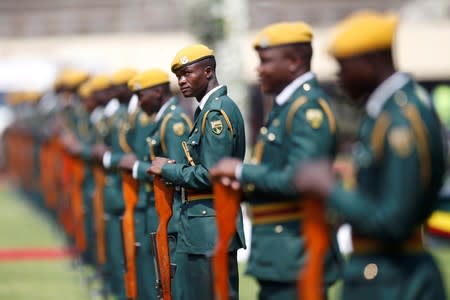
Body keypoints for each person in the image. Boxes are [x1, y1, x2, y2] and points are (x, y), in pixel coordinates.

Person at [294, 11, 447, 300]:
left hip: (395, 279)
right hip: (380, 273)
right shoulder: (385, 113)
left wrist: (329, 188)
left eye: (344, 66)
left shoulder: (401, 119)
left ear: (373, 62)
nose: (339, 77)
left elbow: (393, 220)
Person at [209, 22, 342, 299]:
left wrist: (242, 172)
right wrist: (242, 188)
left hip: (297, 253)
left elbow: (300, 179)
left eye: (265, 61)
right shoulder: (288, 107)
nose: (258, 69)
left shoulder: (307, 109)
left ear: (294, 61)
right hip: (280, 255)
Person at [147, 44, 246, 299]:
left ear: (208, 71)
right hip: (202, 226)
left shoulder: (216, 113)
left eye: (187, 73)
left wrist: (170, 171)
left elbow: (212, 174)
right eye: (178, 75)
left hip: (210, 227)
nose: (181, 81)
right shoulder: (207, 110)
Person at [118, 68, 192, 299]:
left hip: (172, 211)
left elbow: (176, 170)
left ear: (159, 92)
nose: (139, 103)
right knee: (160, 277)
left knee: (171, 281)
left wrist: (137, 167)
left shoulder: (173, 122)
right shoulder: (162, 120)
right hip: (158, 206)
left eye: (142, 95)